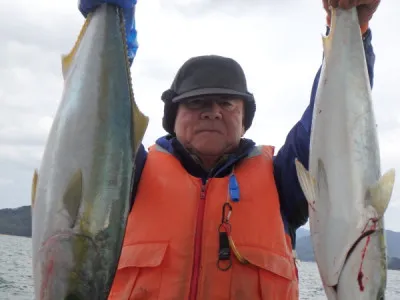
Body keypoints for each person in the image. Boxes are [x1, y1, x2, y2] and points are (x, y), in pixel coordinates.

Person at [79, 0, 379, 299]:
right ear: (173, 118)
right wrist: (110, 22)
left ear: (244, 121)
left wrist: (353, 27)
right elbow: (100, 116)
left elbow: (332, 122)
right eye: (196, 102)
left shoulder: (282, 180)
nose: (212, 112)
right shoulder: (130, 174)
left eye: (226, 104)